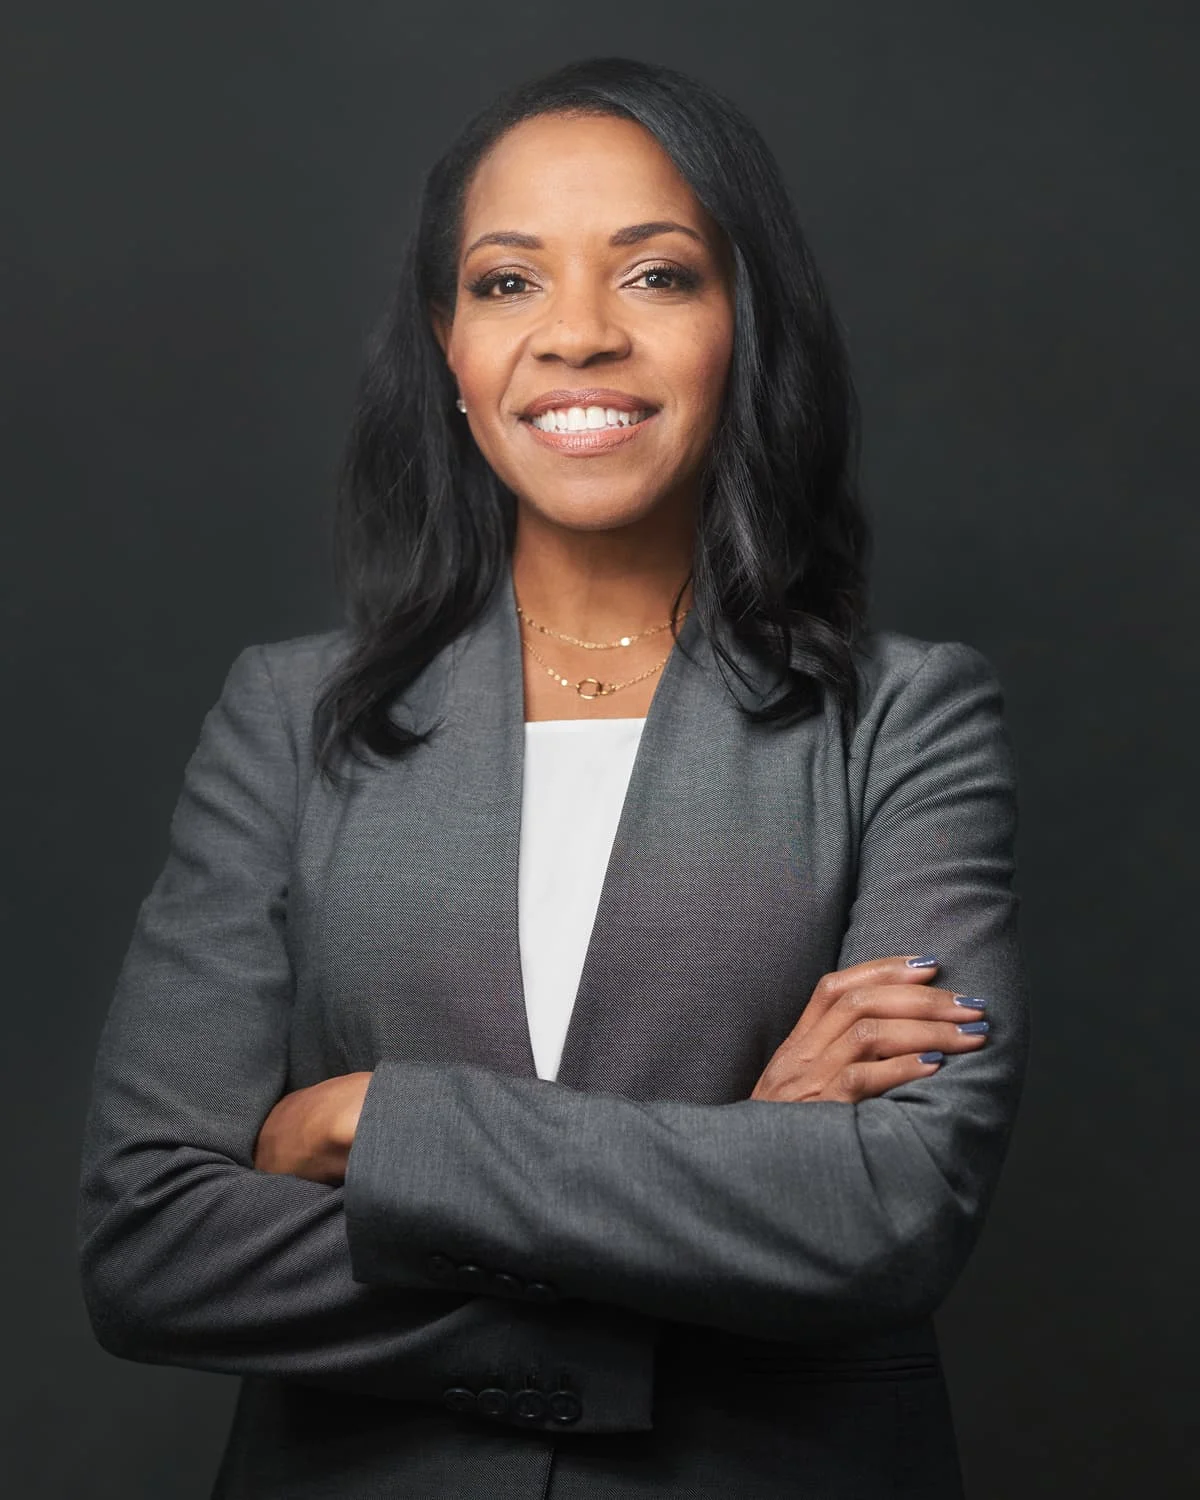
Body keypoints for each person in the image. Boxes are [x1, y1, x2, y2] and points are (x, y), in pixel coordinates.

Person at [77, 55, 1029, 1500]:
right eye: (508, 283)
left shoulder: (904, 718)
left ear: (744, 329)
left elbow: (889, 1211)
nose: (577, 335)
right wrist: (731, 1178)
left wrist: (367, 1123)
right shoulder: (290, 716)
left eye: (655, 277)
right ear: (449, 359)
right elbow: (152, 1248)